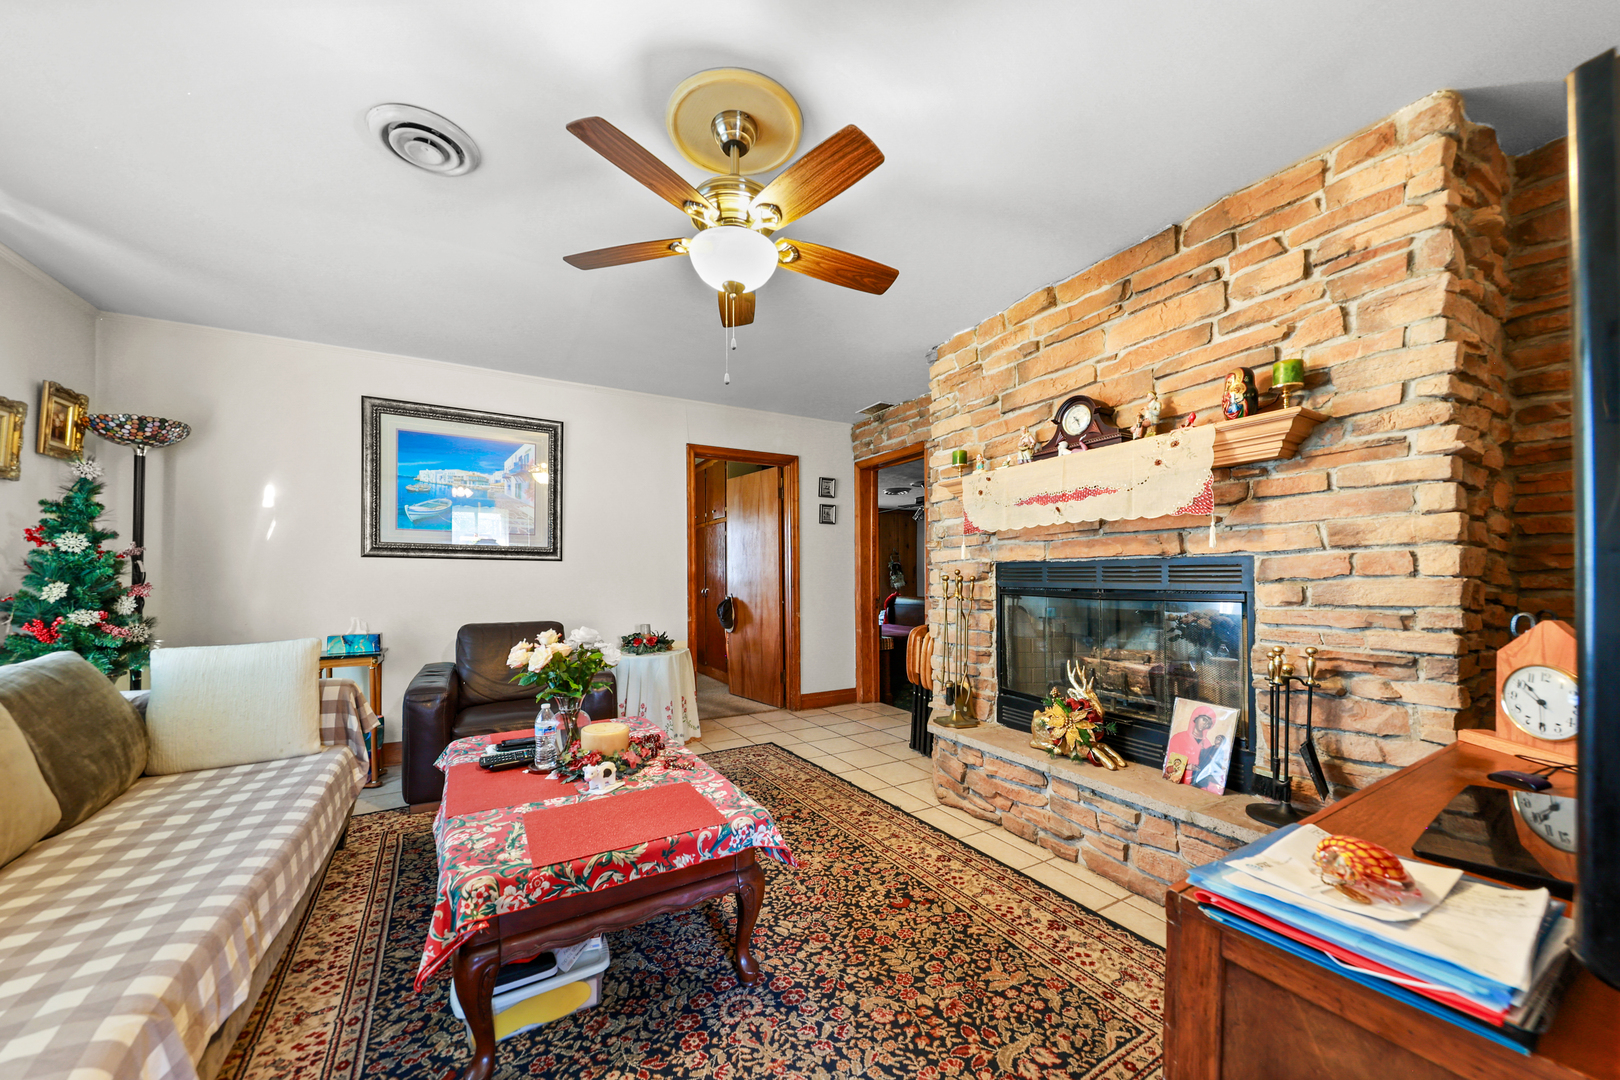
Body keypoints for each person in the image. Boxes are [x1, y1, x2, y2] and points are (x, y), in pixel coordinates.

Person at [1166, 706, 1219, 784]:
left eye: (1208, 723)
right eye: (1204, 719)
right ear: (1196, 718)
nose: (1205, 724)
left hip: (1198, 784)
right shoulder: (1178, 738)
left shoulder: (1208, 744)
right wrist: (1187, 767)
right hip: (1177, 781)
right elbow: (1170, 769)